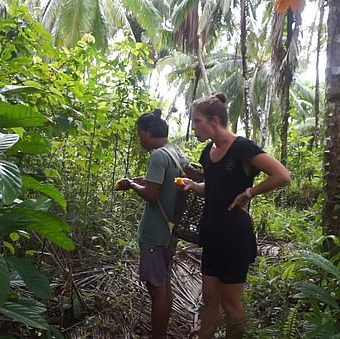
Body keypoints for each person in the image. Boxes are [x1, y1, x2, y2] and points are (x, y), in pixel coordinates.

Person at [183, 93, 290, 339]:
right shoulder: (207, 152)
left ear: (215, 120)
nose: (194, 127)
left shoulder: (242, 148)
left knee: (231, 304)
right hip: (211, 233)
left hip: (235, 235)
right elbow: (212, 187)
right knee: (210, 299)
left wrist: (249, 193)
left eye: (197, 121)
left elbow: (282, 175)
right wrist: (193, 185)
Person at [116, 109, 187, 339]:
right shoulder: (175, 153)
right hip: (169, 233)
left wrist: (131, 185)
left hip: (155, 234)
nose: (140, 139)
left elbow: (151, 194)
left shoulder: (158, 156)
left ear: (148, 132)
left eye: (140, 134)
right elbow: (170, 184)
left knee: (156, 289)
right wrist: (145, 181)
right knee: (164, 284)